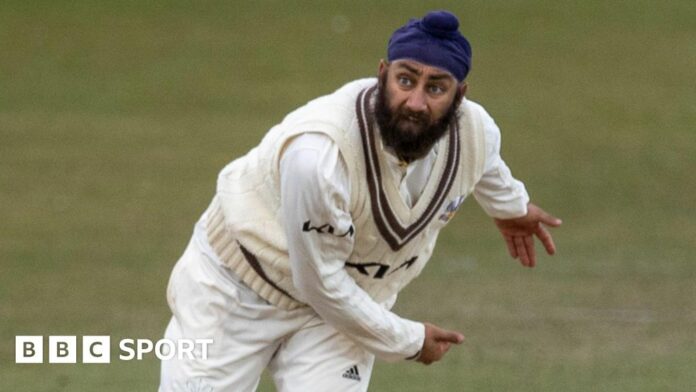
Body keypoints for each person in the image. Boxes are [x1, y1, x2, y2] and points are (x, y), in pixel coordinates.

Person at [159, 10, 561, 392]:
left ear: (460, 96)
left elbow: (485, 163)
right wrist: (408, 339)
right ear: (383, 75)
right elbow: (318, 281)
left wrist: (512, 208)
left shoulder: (476, 130)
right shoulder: (318, 156)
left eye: (436, 88)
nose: (417, 102)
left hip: (341, 313)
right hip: (234, 291)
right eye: (406, 80)